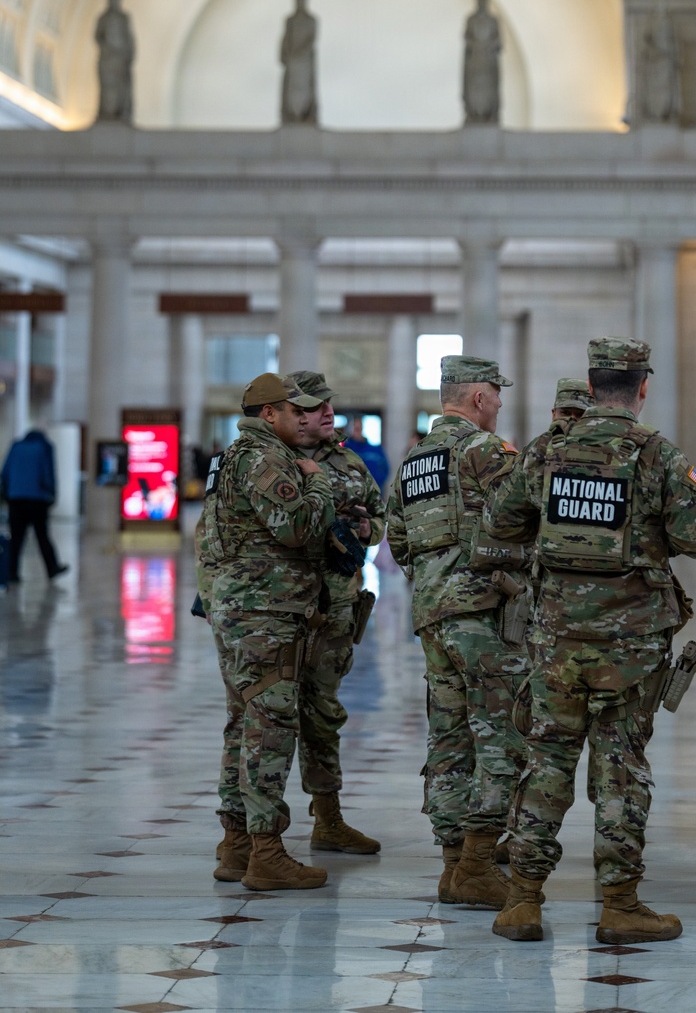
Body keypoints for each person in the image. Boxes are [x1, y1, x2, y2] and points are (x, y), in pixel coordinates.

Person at [485, 337, 696, 944]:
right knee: (620, 768)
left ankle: (522, 902)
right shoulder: (657, 455)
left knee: (546, 760)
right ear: (643, 387)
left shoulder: (546, 450)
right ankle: (619, 905)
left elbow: (500, 523)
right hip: (631, 646)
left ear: (590, 388)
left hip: (556, 639)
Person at [200, 372, 357, 892]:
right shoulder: (266, 458)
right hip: (264, 612)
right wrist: (317, 480)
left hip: (241, 606)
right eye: (295, 411)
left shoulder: (232, 457)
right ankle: (266, 852)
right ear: (270, 414)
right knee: (270, 727)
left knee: (244, 722)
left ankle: (236, 844)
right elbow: (297, 527)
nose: (304, 418)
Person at [385, 355, 524, 910]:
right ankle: (477, 865)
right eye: (496, 394)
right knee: (500, 737)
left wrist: (434, 580)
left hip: (432, 614)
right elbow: (524, 519)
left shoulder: (414, 458)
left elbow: (397, 538)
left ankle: (452, 864)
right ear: (478, 399)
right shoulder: (485, 450)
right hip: (483, 617)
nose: (500, 403)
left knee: (448, 738)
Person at [286, 372, 385, 855]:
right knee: (261, 717)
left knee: (323, 711)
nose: (328, 412)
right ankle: (244, 834)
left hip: (335, 609)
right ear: (288, 413)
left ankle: (327, 818)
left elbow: (380, 519)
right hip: (281, 609)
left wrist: (367, 529)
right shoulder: (271, 459)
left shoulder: (349, 462)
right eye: (314, 406)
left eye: (328, 403)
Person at [0, 426, 68, 583]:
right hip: (37, 499)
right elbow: (47, 472)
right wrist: (52, 493)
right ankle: (52, 568)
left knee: (16, 538)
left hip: (16, 499)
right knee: (42, 535)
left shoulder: (16, 447)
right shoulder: (44, 447)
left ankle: (12, 573)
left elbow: (5, 472)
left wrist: (7, 493)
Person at [342, 415, 390, 493]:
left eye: (359, 428)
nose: (358, 432)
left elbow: (385, 469)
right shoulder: (345, 450)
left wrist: (376, 484)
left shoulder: (375, 450)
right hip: (352, 494)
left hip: (373, 493)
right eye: (356, 429)